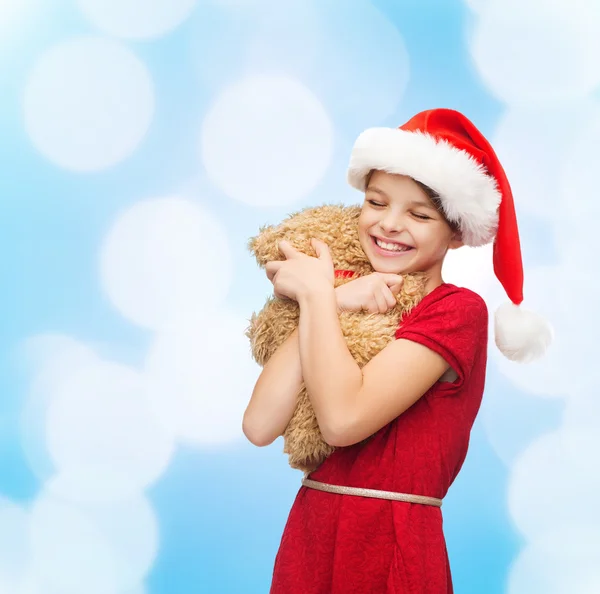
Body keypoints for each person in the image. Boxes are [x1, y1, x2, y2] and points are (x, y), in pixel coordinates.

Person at [242, 108, 553, 593]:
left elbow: (343, 421)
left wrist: (319, 295)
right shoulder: (348, 300)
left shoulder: (456, 312)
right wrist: (335, 297)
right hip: (312, 531)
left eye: (419, 214)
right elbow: (259, 425)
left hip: (390, 543)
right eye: (375, 201)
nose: (388, 225)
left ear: (454, 232)